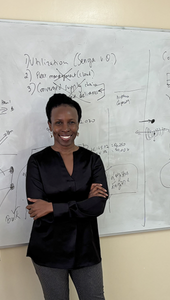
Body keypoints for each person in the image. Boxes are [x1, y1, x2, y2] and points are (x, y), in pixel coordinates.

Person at [25, 93, 109, 300]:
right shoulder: (37, 162)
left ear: (78, 124)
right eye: (58, 122)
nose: (65, 129)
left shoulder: (93, 161)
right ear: (50, 125)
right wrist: (84, 202)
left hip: (86, 248)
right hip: (48, 250)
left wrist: (52, 207)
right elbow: (37, 209)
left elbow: (97, 206)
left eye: (71, 122)